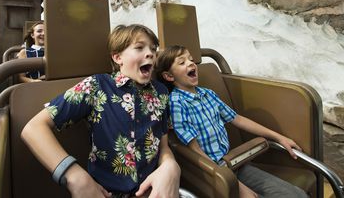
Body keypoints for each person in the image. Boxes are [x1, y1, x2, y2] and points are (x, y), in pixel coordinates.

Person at [21, 24, 180, 198]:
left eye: (153, 49)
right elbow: (33, 128)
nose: (150, 53)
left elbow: (163, 145)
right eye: (139, 48)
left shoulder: (161, 92)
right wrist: (74, 175)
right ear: (118, 57)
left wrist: (170, 165)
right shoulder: (97, 86)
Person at [155, 45, 308, 198]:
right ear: (169, 76)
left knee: (296, 195)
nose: (190, 63)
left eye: (191, 59)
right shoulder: (176, 103)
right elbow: (195, 150)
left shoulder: (207, 94)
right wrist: (235, 186)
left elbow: (238, 119)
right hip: (214, 172)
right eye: (182, 63)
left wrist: (278, 137)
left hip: (233, 164)